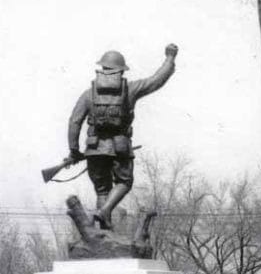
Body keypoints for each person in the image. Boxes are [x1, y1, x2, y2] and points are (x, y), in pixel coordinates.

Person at [67, 44, 178, 229]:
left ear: (102, 68)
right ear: (121, 70)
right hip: (120, 147)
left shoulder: (89, 94)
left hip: (94, 149)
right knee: (124, 182)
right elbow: (156, 80)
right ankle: (104, 213)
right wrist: (170, 58)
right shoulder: (130, 89)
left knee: (102, 190)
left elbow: (74, 122)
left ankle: (103, 228)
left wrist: (74, 150)